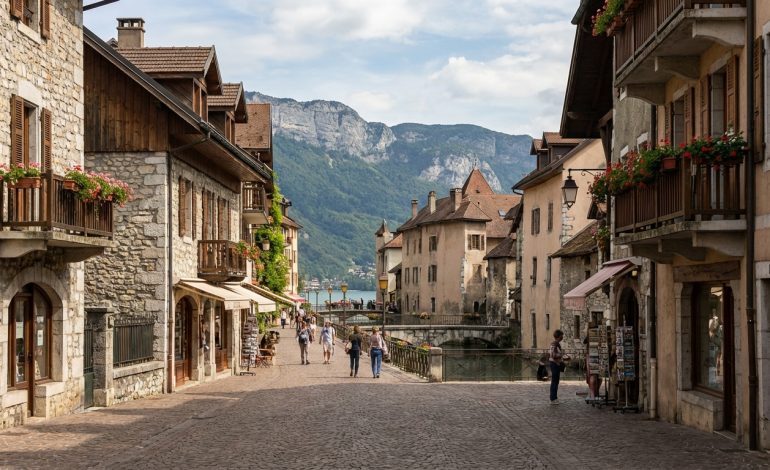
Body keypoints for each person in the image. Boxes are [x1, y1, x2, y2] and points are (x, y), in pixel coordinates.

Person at [549, 329, 570, 405]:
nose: (562, 337)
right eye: (562, 335)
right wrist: (562, 356)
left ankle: (554, 398)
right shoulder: (555, 344)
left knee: (555, 381)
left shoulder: (554, 343)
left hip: (554, 364)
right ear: (559, 336)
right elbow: (554, 355)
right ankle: (553, 399)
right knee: (554, 382)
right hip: (555, 364)